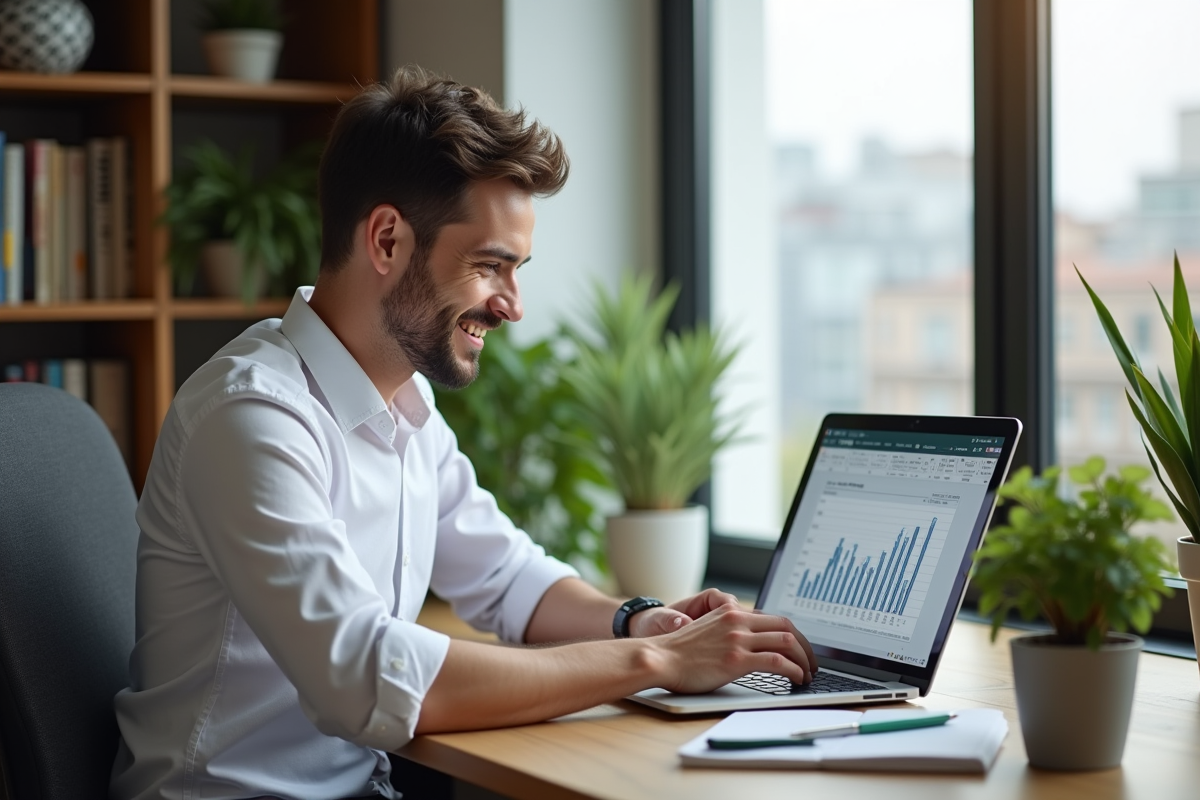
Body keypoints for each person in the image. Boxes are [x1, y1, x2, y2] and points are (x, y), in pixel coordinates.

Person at [110, 66, 816, 800]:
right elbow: (363, 676)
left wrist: (640, 623)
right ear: (387, 240)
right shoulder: (251, 417)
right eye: (489, 267)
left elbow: (507, 578)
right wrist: (662, 665)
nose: (512, 306)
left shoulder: (406, 402)